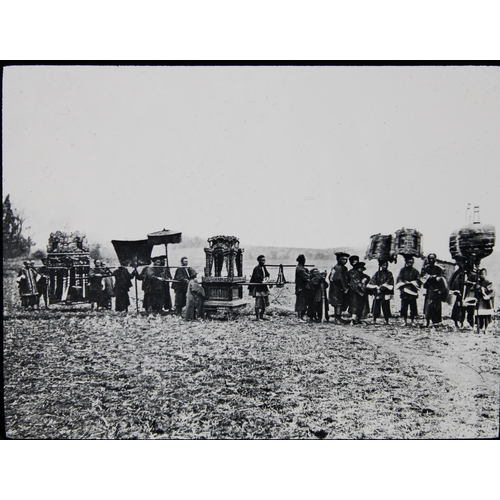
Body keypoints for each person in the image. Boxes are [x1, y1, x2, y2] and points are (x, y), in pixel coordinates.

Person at [420, 253, 448, 327]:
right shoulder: (425, 268)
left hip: (437, 288)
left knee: (437, 306)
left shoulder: (439, 268)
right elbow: (423, 277)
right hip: (429, 289)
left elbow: (441, 278)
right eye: (430, 258)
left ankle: (436, 322)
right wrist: (431, 277)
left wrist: (440, 287)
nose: (431, 260)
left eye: (433, 258)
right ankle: (427, 320)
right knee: (428, 305)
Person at [449, 261, 477, 329]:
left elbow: (477, 284)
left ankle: (471, 324)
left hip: (470, 295)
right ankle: (459, 323)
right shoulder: (460, 275)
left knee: (470, 310)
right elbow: (455, 283)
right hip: (461, 295)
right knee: (459, 309)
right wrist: (457, 291)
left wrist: (470, 283)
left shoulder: (473, 275)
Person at [395, 256, 422, 326]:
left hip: (412, 291)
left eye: (412, 262)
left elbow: (419, 280)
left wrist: (414, 282)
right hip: (404, 292)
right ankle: (404, 320)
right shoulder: (402, 270)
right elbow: (399, 278)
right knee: (404, 306)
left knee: (413, 307)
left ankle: (412, 320)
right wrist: (403, 282)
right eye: (409, 262)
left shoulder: (415, 271)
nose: (410, 264)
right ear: (406, 262)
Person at [328, 252, 350, 324]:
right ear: (338, 259)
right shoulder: (337, 268)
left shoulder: (343, 268)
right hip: (336, 288)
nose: (344, 261)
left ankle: (339, 317)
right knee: (338, 303)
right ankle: (337, 318)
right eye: (342, 259)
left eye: (346, 259)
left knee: (340, 302)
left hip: (339, 288)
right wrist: (344, 288)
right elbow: (339, 279)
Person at [249, 255, 271, 320]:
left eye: (264, 260)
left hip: (263, 287)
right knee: (258, 303)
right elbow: (257, 278)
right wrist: (263, 280)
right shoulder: (256, 268)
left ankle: (261, 316)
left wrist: (267, 279)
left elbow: (267, 274)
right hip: (258, 288)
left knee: (264, 303)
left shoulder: (264, 267)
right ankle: (257, 317)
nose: (263, 262)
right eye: (262, 260)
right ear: (258, 261)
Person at [474, 268, 495, 333]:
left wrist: (486, 295)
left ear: (485, 274)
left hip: (486, 302)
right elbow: (475, 291)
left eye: (482, 274)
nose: (481, 276)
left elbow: (492, 291)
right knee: (479, 315)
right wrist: (477, 289)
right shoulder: (478, 283)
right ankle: (479, 328)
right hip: (480, 301)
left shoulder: (488, 282)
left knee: (486, 316)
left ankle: (486, 328)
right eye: (480, 274)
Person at [295, 254, 310, 320]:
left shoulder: (299, 268)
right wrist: (309, 273)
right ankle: (300, 317)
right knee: (301, 302)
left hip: (300, 287)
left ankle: (301, 316)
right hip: (302, 287)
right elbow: (306, 277)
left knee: (302, 302)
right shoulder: (301, 269)